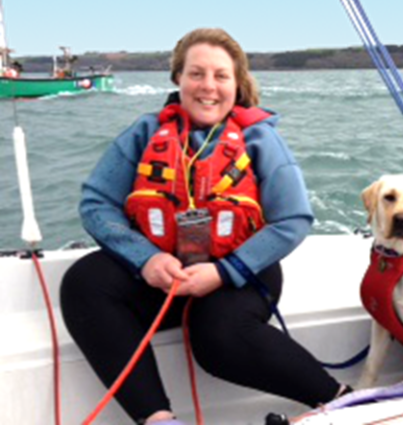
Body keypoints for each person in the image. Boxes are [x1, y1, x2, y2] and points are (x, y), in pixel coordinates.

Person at [60, 27, 347, 425]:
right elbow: (96, 204)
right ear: (178, 78)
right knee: (84, 281)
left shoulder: (261, 139)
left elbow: (293, 219)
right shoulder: (144, 133)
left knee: (217, 335)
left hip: (240, 276)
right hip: (165, 275)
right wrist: (146, 259)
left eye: (220, 76)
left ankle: (339, 398)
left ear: (237, 83)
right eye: (196, 74)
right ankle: (159, 420)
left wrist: (223, 272)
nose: (208, 86)